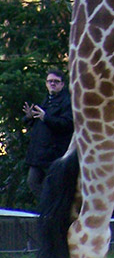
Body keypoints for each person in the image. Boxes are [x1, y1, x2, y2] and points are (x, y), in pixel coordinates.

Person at [24, 67, 74, 199]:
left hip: (54, 155)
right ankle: (48, 210)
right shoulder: (46, 100)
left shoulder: (66, 102)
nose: (52, 84)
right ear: (46, 83)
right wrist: (29, 117)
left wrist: (46, 117)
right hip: (39, 154)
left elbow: (67, 124)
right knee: (32, 182)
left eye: (56, 81)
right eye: (49, 81)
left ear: (62, 84)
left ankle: (52, 211)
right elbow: (39, 123)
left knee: (52, 186)